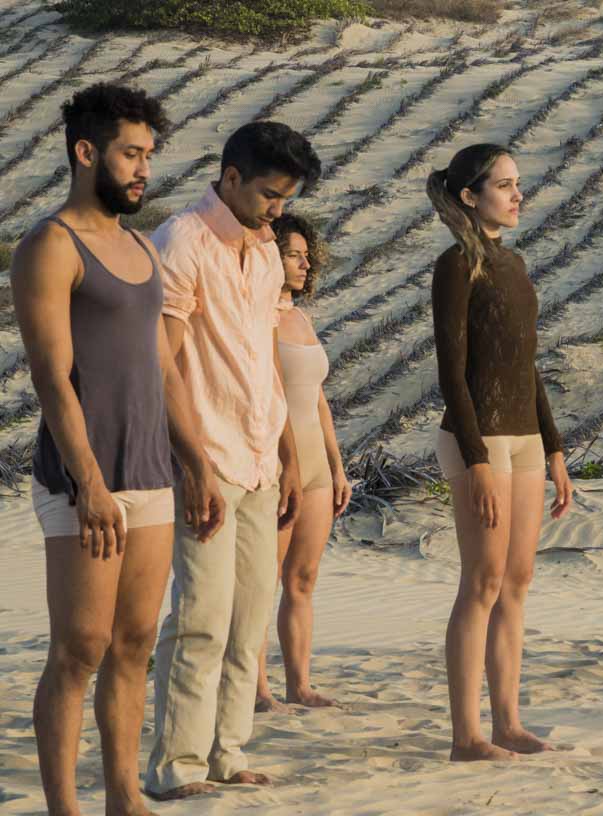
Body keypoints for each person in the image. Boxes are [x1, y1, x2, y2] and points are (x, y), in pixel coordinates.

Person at [14, 82, 224, 816]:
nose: (144, 170)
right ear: (86, 152)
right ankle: (64, 808)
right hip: (82, 478)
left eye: (148, 156)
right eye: (131, 154)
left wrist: (196, 461)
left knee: (134, 641)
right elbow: (51, 377)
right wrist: (90, 483)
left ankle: (124, 797)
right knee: (80, 649)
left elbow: (162, 366)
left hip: (149, 472)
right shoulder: (49, 245)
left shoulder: (139, 246)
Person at [144, 121, 321, 800]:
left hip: (260, 455)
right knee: (201, 618)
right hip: (207, 454)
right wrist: (192, 465)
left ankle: (226, 752)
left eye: (286, 199)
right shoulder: (182, 240)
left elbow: (265, 357)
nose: (276, 210)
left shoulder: (268, 249)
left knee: (249, 619)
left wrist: (286, 450)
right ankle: (177, 766)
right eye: (269, 195)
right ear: (231, 177)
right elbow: (161, 361)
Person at [427, 143, 575, 761]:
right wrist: (477, 459)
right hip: (478, 439)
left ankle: (508, 723)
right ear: (470, 196)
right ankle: (467, 736)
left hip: (525, 438)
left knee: (516, 581)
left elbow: (525, 364)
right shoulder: (456, 266)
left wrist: (555, 449)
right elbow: (452, 373)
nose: (518, 195)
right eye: (505, 185)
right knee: (482, 581)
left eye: (518, 183)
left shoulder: (513, 264)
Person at [255, 213, 352, 712]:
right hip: (277, 466)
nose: (304, 263)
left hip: (316, 469)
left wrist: (337, 468)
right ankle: (258, 689)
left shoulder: (301, 318)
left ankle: (300, 684)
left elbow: (317, 399)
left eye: (305, 255)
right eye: (293, 255)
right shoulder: (259, 317)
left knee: (303, 579)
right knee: (263, 582)